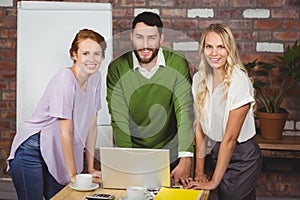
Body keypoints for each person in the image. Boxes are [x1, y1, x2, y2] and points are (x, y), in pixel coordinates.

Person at [7, 29, 107, 200]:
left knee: (62, 197)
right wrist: (74, 175)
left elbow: (92, 127)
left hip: (56, 150)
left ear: (102, 57)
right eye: (85, 53)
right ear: (74, 55)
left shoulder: (95, 78)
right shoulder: (65, 79)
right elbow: (65, 132)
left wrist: (90, 169)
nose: (92, 59)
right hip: (31, 149)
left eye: (97, 54)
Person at [106, 11, 194, 184]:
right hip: (133, 151)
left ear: (161, 39)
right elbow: (119, 118)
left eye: (151, 38)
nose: (145, 45)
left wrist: (186, 158)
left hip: (171, 152)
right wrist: (127, 159)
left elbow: (184, 111)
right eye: (139, 37)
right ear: (131, 37)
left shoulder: (177, 63)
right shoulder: (117, 68)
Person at [184, 23, 262, 199]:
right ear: (203, 49)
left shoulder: (239, 81)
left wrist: (213, 181)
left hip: (243, 157)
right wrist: (199, 172)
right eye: (209, 47)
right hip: (218, 152)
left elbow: (230, 138)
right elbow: (200, 129)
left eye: (221, 47)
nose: (214, 53)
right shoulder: (199, 79)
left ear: (229, 49)